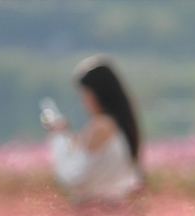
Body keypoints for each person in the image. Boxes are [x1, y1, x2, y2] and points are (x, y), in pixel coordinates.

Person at [42, 56, 143, 204]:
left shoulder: (101, 126)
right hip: (115, 208)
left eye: (84, 93)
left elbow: (74, 177)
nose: (83, 100)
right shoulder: (117, 125)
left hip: (97, 210)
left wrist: (58, 137)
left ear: (97, 93)